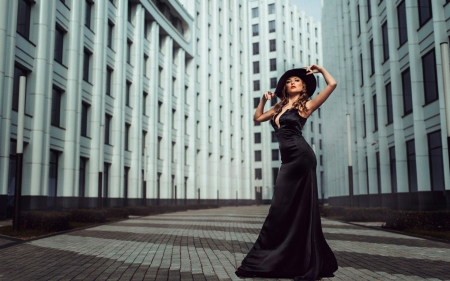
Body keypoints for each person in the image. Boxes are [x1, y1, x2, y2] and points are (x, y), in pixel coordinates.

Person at [235, 65, 338, 281]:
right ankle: (279, 258)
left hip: (301, 158)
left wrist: (319, 69)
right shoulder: (278, 107)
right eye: (290, 80)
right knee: (282, 210)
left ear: (303, 88)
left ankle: (295, 260)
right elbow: (258, 118)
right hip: (287, 161)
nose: (292, 82)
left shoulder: (306, 106)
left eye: (297, 81)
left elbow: (332, 84)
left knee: (289, 209)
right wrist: (263, 100)